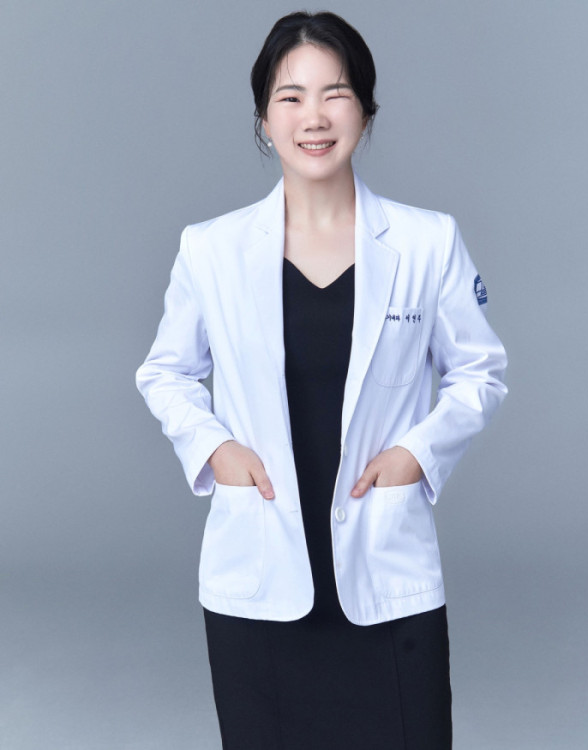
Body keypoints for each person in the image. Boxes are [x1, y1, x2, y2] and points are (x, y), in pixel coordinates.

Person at [135, 10, 507, 750]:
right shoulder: (211, 250)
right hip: (260, 576)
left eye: (336, 94)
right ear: (263, 118)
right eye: (291, 97)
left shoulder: (427, 243)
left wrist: (417, 454)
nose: (314, 117)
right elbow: (165, 372)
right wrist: (214, 449)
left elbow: (480, 371)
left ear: (366, 111)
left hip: (385, 571)